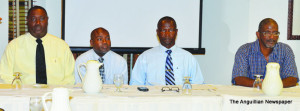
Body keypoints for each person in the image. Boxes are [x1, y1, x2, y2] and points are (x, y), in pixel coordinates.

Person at [0, 6, 75, 85]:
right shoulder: (13, 47)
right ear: (27, 21)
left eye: (42, 18)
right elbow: (5, 77)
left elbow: (69, 79)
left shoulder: (62, 47)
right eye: (33, 19)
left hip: (54, 94)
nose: (38, 23)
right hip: (23, 94)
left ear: (47, 20)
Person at [130, 16, 204, 85]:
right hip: (154, 98)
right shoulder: (145, 57)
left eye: (171, 30)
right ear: (157, 32)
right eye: (163, 30)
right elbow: (135, 85)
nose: (167, 34)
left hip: (181, 98)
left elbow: (198, 85)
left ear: (176, 32)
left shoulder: (188, 58)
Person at [232, 18, 298, 88]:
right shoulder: (244, 50)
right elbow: (238, 78)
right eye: (267, 33)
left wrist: (272, 86)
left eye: (275, 33)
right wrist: (260, 84)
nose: (272, 37)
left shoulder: (285, 50)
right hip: (251, 96)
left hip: (278, 96)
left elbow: (292, 78)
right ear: (258, 35)